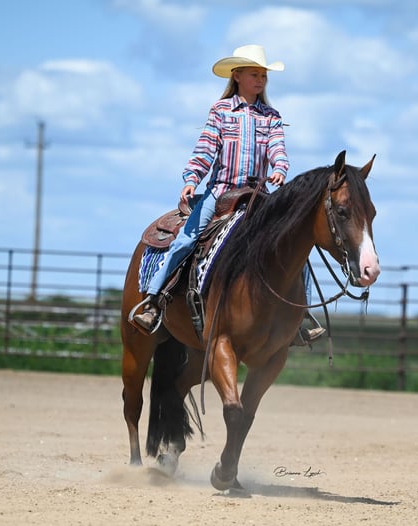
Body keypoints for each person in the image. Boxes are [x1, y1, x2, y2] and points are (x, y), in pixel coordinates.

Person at [133, 44, 325, 344]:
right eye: (254, 74)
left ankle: (301, 314)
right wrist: (191, 179)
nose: (260, 79)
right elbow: (205, 149)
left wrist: (279, 168)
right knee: (187, 239)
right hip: (221, 192)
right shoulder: (221, 111)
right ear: (237, 76)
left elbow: (278, 148)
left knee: (294, 243)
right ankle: (155, 300)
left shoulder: (271, 116)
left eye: (263, 74)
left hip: (259, 198)